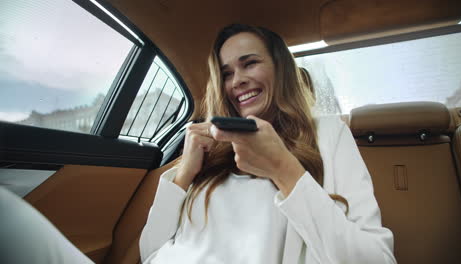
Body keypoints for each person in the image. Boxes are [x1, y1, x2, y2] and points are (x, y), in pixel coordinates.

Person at [139, 24, 396, 264]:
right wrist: (184, 174)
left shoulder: (328, 134)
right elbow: (149, 252)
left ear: (280, 69)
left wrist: (284, 170)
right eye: (226, 74)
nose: (237, 80)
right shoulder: (210, 150)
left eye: (249, 63)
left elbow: (377, 258)